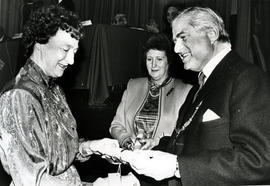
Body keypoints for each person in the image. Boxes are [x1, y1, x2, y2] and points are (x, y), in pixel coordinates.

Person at [107, 6, 270, 186]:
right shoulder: (199, 84)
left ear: (212, 33)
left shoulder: (246, 78)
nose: (176, 48)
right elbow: (185, 142)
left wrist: (177, 166)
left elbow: (260, 159)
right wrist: (144, 164)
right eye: (175, 41)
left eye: (182, 38)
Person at [0, 5, 118, 186]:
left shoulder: (53, 88)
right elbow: (33, 181)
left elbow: (58, 152)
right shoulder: (19, 96)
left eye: (75, 52)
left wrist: (92, 146)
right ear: (40, 43)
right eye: (65, 50)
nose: (71, 60)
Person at [110, 33, 192, 151]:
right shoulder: (133, 85)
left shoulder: (184, 90)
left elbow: (187, 135)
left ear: (168, 62)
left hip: (163, 157)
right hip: (131, 156)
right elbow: (116, 125)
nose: (154, 65)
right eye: (149, 59)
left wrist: (157, 142)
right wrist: (127, 141)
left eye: (159, 59)